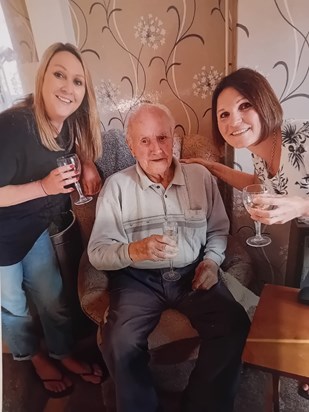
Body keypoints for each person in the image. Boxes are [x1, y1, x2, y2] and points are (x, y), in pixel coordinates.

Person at [88, 102, 251, 412]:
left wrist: (212, 262)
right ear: (131, 146)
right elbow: (97, 252)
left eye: (162, 138)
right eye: (145, 140)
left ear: (174, 139)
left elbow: (219, 229)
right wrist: (133, 250)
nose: (156, 149)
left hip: (193, 271)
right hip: (137, 279)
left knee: (234, 324)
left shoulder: (200, 177)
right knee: (119, 342)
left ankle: (202, 404)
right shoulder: (117, 187)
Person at [182, 67, 309, 399]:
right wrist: (212, 167)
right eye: (224, 113)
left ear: (264, 102)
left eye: (244, 106)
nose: (233, 120)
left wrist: (302, 207)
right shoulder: (261, 154)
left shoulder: (303, 137)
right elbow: (256, 185)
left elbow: (297, 200)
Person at [0, 42, 103, 398]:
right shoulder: (13, 127)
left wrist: (87, 162)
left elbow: (75, 152)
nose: (67, 87)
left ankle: (62, 352)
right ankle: (34, 356)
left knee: (52, 297)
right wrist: (43, 187)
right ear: (43, 77)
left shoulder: (69, 125)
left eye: (77, 81)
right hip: (1, 238)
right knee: (13, 306)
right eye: (59, 74)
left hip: (33, 229)